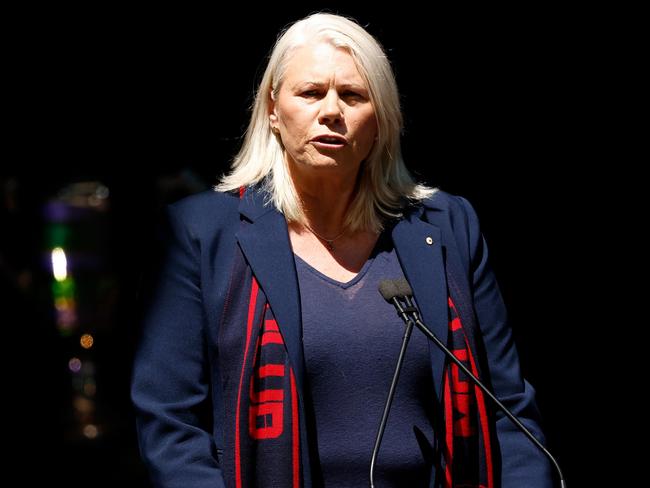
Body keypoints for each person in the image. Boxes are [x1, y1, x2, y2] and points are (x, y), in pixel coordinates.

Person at [131, 12, 553, 488]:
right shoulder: (201, 235)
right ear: (272, 109)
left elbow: (510, 411)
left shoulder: (446, 227)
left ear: (381, 122)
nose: (331, 111)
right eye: (310, 93)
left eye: (353, 95)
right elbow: (170, 427)